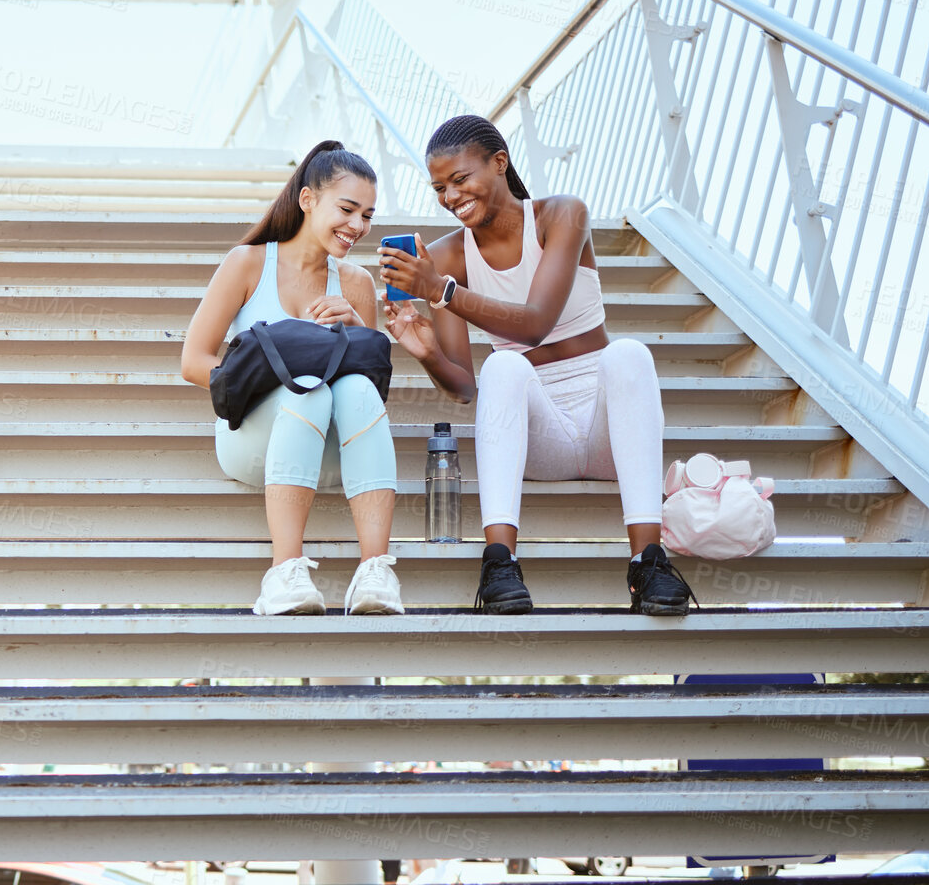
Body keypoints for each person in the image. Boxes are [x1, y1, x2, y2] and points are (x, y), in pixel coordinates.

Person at [378, 114, 693, 616]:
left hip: (611, 430)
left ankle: (648, 562)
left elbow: (535, 324)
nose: (451, 196)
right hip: (539, 438)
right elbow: (463, 385)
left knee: (629, 353)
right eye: (439, 187)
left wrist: (440, 292)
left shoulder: (561, 215)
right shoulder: (448, 257)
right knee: (503, 368)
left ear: (499, 163)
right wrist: (427, 352)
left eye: (461, 179)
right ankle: (500, 562)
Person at [181, 140, 403, 616]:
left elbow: (369, 391)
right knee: (308, 388)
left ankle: (376, 572)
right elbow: (193, 361)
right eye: (347, 209)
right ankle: (285, 572)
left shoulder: (357, 283)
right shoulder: (248, 263)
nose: (357, 227)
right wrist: (261, 372)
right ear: (307, 200)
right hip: (259, 441)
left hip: (332, 453)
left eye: (367, 215)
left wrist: (358, 328)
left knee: (351, 386)